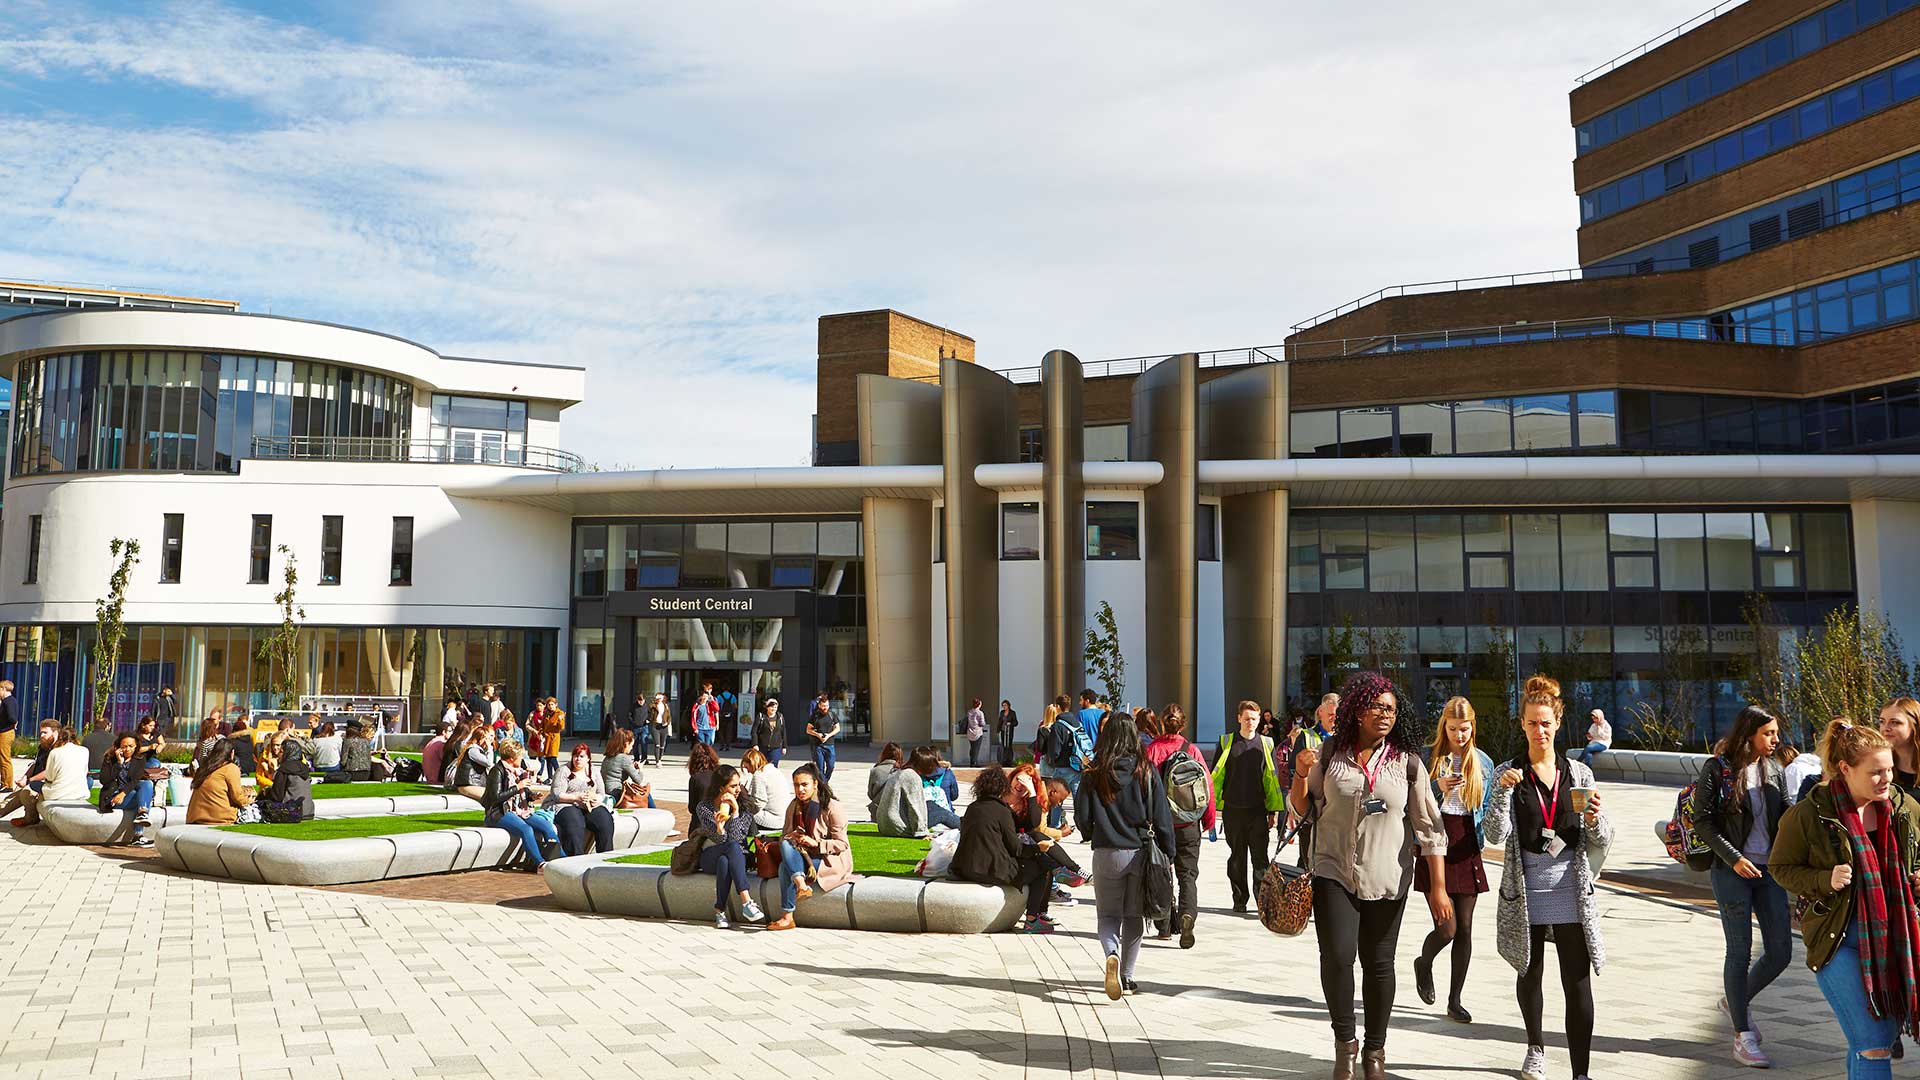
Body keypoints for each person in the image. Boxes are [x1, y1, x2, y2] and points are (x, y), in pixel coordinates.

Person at [1289, 672, 1449, 1080]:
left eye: (1391, 709)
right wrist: (1298, 771)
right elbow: (1303, 806)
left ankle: (1375, 1052)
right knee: (1338, 957)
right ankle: (1346, 1044)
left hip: (1388, 877)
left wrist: (1439, 889)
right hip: (1333, 872)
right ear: (1357, 709)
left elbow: (1430, 828)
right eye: (1377, 707)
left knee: (1379, 965)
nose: (1385, 715)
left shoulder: (1407, 763)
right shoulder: (1331, 753)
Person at [1772, 718, 1920, 1080]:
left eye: (1888, 770)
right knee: (1872, 1041)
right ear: (1845, 769)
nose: (1886, 779)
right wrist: (1824, 879)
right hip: (1837, 940)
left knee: (1877, 1039)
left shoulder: (1904, 807)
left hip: (1892, 938)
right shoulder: (1809, 814)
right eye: (1875, 772)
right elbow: (1780, 867)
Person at [1485, 675, 1611, 1080]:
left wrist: (1594, 818)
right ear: (1521, 724)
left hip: (1570, 889)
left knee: (1577, 982)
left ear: (1557, 724)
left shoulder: (1578, 773)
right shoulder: (1509, 773)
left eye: (1546, 723)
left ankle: (1581, 1072)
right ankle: (1535, 1047)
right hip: (1526, 893)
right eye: (1531, 723)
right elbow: (1494, 834)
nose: (1539, 731)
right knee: (1530, 973)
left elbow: (1602, 836)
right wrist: (1502, 793)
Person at [1687, 704, 1793, 1067]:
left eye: (1776, 733)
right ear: (1749, 733)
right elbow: (1702, 821)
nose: (1776, 739)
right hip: (1731, 871)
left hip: (1770, 872)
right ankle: (1742, 1035)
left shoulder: (1775, 769)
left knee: (1781, 952)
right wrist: (1733, 857)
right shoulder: (1717, 769)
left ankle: (1736, 1001)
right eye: (1769, 733)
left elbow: (1788, 817)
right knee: (1740, 950)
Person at [1078, 714, 1176, 998]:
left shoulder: (1093, 772)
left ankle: (1111, 953)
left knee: (1108, 915)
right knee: (1134, 917)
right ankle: (1128, 977)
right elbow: (1161, 817)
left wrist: (1091, 831)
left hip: (1106, 851)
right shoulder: (1145, 770)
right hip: (1139, 853)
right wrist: (1169, 853)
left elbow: (1083, 818)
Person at [1412, 697, 1496, 1025]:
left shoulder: (1483, 763)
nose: (1459, 735)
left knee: (1465, 928)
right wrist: (1436, 787)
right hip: (1437, 843)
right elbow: (1413, 803)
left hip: (1467, 843)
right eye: (1453, 729)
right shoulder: (1428, 757)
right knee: (1446, 928)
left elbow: (1486, 809)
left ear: (1472, 727)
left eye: (1464, 729)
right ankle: (1424, 962)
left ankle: (1455, 999)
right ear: (1443, 727)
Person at [952, 765, 1058, 935]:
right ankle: (1032, 920)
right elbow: (1016, 848)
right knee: (1043, 868)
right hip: (992, 870)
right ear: (1003, 787)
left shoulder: (972, 808)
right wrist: (1037, 848)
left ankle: (1037, 915)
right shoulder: (1001, 811)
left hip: (965, 868)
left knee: (1037, 862)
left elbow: (1028, 825)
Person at [1143, 703, 1214, 949]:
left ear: (1163, 723)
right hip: (1188, 823)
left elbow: (1143, 787)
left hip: (1159, 824)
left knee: (1161, 872)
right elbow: (1207, 787)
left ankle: (1163, 926)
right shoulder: (1191, 750)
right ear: (1183, 725)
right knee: (1188, 874)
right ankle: (1187, 915)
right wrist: (1208, 819)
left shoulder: (1152, 750)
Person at [1214, 700, 1283, 914]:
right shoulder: (1227, 742)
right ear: (1238, 719)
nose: (1251, 722)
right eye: (1247, 718)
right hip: (1233, 809)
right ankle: (1239, 898)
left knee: (1260, 858)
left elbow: (1271, 780)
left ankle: (1261, 901)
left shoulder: (1266, 744)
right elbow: (1216, 776)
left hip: (1257, 810)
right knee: (1237, 857)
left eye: (1254, 718)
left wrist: (1273, 811)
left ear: (1259, 719)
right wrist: (1214, 808)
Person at [769, 763, 851, 930]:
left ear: (815, 784)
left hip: (828, 859)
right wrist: (794, 837)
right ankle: (801, 885)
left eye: (804, 784)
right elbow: (784, 835)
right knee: (785, 842)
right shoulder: (793, 805)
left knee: (785, 868)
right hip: (802, 854)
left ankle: (787, 916)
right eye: (796, 785)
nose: (800, 790)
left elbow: (842, 844)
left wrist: (817, 843)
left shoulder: (831, 807)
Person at [692, 764, 766, 929]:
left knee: (725, 861)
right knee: (727, 851)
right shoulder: (704, 808)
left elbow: (738, 840)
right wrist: (719, 828)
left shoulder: (745, 806)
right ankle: (747, 902)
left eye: (739, 784)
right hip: (710, 854)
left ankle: (720, 911)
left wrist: (736, 811)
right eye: (733, 786)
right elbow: (721, 841)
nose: (738, 789)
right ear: (721, 788)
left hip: (739, 855)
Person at [483, 741, 556, 871]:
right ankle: (540, 863)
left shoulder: (518, 771)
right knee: (526, 829)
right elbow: (495, 798)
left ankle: (558, 859)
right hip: (499, 812)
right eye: (520, 756)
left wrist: (532, 796)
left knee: (546, 826)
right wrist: (518, 787)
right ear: (511, 759)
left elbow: (522, 794)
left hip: (519, 810)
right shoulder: (497, 771)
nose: (522, 759)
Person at [1291, 691, 1340, 868]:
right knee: (1307, 860)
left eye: (1337, 715)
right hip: (1310, 807)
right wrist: (1293, 806)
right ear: (1320, 712)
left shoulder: (1343, 739)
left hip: (1334, 809)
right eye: (1330, 714)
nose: (1334, 719)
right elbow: (1293, 771)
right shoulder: (1306, 736)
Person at [546, 743, 616, 857]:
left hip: (588, 805)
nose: (578, 759)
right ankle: (576, 859)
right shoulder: (563, 770)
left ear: (588, 758)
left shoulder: (594, 771)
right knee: (575, 824)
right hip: (566, 804)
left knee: (605, 821)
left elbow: (601, 793)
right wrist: (576, 797)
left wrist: (596, 799)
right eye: (575, 756)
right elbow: (556, 794)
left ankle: (605, 857)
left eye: (581, 756)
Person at [1, 720, 63, 826]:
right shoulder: (43, 747)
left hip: (50, 785)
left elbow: (49, 771)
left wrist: (29, 781)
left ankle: (31, 818)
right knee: (8, 801)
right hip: (36, 783)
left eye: (45, 733)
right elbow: (35, 764)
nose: (42, 736)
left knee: (26, 792)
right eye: (41, 733)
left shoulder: (59, 750)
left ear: (55, 733)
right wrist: (25, 777)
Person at [97, 734, 154, 847]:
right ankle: (138, 835)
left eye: (130, 746)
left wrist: (123, 794)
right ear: (118, 747)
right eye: (124, 746)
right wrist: (119, 764)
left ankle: (142, 814)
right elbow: (104, 781)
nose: (127, 749)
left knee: (146, 784)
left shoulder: (139, 759)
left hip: (126, 795)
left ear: (136, 746)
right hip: (112, 798)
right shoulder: (110, 759)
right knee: (142, 798)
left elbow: (135, 780)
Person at [186, 740, 252, 825]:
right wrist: (248, 800)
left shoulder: (204, 768)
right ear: (232, 753)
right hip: (220, 817)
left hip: (194, 817)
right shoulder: (231, 768)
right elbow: (237, 797)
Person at [870, 743, 928, 838]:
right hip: (899, 824)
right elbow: (914, 805)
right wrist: (921, 831)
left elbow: (870, 793)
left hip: (883, 821)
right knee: (940, 812)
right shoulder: (910, 775)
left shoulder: (878, 770)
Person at [266, 729, 316, 820]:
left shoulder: (284, 769)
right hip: (309, 811)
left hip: (292, 811)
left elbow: (277, 796)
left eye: (281, 752)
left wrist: (267, 791)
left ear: (286, 753)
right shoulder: (304, 768)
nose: (279, 754)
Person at [741, 747, 793, 831]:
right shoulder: (773, 770)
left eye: (747, 767)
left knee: (738, 814)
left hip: (774, 820)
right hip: (785, 818)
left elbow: (758, 804)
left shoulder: (759, 775)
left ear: (752, 763)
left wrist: (744, 795)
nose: (748, 771)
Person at [912, 745, 961, 830]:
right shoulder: (947, 772)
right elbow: (954, 796)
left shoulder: (919, 774)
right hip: (946, 814)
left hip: (925, 813)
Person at [601, 728, 652, 809]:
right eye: (631, 745)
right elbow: (638, 780)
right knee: (645, 794)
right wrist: (640, 769)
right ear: (626, 743)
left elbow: (618, 769)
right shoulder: (624, 758)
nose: (631, 748)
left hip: (606, 792)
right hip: (617, 793)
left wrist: (631, 767)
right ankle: (654, 813)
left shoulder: (607, 757)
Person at [1879, 698, 1920, 793]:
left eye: (1895, 722)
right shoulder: (1876, 764)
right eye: (1882, 721)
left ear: (1915, 726)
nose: (1886, 728)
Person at [451, 726, 496, 802]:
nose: (487, 741)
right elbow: (488, 762)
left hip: (475, 784)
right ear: (479, 738)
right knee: (492, 798)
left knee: (497, 795)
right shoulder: (473, 750)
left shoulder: (478, 750)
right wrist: (489, 748)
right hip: (467, 785)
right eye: (485, 738)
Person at [806, 694, 839, 782]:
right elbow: (808, 730)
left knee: (831, 766)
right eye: (823, 706)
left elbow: (837, 728)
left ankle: (824, 782)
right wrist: (818, 735)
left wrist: (828, 735)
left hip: (830, 745)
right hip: (818, 745)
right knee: (820, 768)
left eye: (827, 705)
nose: (825, 707)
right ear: (819, 705)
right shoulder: (815, 716)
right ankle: (823, 785)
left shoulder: (832, 714)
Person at [685, 740, 721, 811]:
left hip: (700, 817)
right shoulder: (719, 774)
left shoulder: (695, 778)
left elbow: (692, 807)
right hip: (717, 814)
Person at [536, 697, 566, 781]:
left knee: (552, 757)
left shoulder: (559, 713)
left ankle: (560, 776)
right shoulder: (546, 713)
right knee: (547, 758)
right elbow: (542, 725)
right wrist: (541, 733)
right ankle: (550, 777)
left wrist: (560, 720)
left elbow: (561, 727)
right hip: (546, 738)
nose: (550, 706)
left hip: (554, 738)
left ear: (556, 705)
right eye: (549, 704)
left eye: (552, 704)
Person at [752, 698, 787, 766]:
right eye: (772, 707)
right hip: (762, 746)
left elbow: (783, 732)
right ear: (767, 707)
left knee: (773, 766)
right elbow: (754, 731)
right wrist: (755, 744)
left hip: (776, 747)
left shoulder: (780, 717)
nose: (774, 709)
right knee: (762, 766)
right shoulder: (761, 716)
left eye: (775, 707)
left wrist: (784, 746)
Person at [421, 720, 454, 788]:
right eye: (450, 731)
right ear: (444, 732)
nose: (452, 733)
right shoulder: (441, 744)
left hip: (430, 778)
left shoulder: (431, 742)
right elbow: (447, 762)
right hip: (437, 779)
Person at [0, 679, 18, 789]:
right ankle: (4, 783)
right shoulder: (10, 701)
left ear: (3, 689)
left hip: (5, 733)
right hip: (6, 731)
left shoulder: (8, 702)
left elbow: (12, 718)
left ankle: (7, 784)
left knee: (4, 758)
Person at [646, 692, 670, 766]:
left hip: (663, 726)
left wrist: (667, 723)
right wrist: (650, 720)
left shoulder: (666, 706)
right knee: (657, 744)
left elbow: (669, 717)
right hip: (655, 726)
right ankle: (657, 761)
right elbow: (648, 714)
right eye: (658, 698)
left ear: (663, 698)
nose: (659, 700)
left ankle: (660, 758)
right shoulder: (652, 706)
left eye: (660, 698)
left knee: (662, 745)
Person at [964, 698, 988, 767]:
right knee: (976, 748)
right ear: (979, 704)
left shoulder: (969, 712)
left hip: (970, 732)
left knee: (972, 748)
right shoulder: (980, 713)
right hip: (977, 733)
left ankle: (973, 761)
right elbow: (982, 723)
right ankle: (974, 763)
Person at [997, 700, 1019, 767]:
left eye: (1005, 705)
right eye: (1003, 705)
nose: (1004, 707)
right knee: (1004, 746)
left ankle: (1009, 761)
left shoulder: (1012, 713)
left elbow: (1016, 722)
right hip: (1003, 731)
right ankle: (1004, 761)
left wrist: (1010, 723)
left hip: (1009, 731)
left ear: (1008, 705)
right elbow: (1000, 722)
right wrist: (997, 730)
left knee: (1009, 746)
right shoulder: (1002, 712)